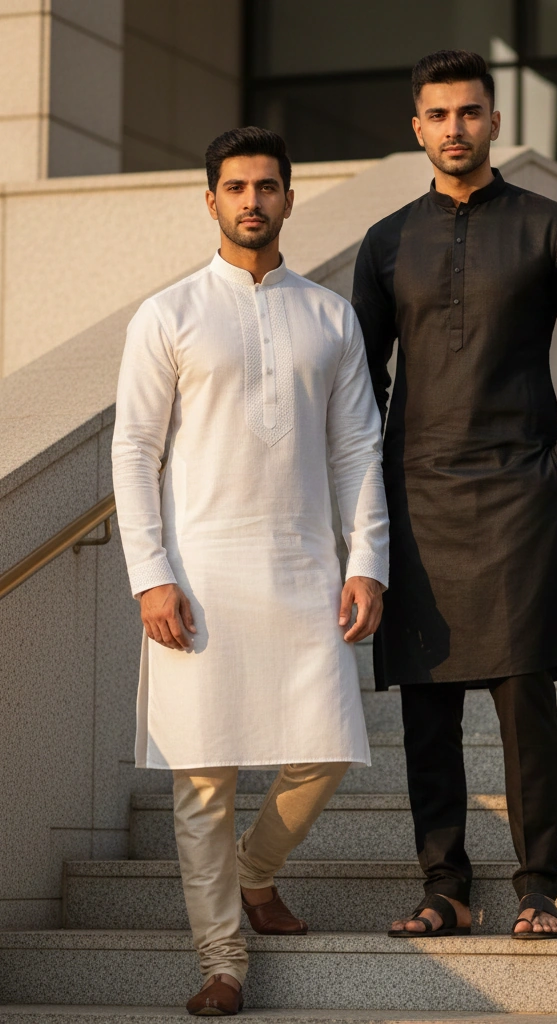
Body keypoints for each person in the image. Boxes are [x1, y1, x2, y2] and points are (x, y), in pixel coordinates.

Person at [112, 126, 388, 1015]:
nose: (251, 201)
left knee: (326, 749)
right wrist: (151, 574)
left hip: (305, 569)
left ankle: (256, 871)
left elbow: (357, 449)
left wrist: (368, 560)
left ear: (289, 199)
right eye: (235, 187)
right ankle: (222, 960)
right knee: (203, 780)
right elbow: (134, 450)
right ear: (211, 201)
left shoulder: (328, 314)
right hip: (200, 576)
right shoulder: (170, 313)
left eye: (266, 186)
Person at [352, 50, 557, 940]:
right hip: (417, 498)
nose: (455, 129)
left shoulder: (551, 225)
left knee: (524, 701)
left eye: (471, 113)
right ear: (418, 128)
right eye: (439, 115)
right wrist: (369, 492)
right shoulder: (388, 240)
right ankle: (445, 887)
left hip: (518, 496)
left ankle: (537, 886)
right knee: (427, 711)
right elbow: (361, 379)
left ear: (496, 123)